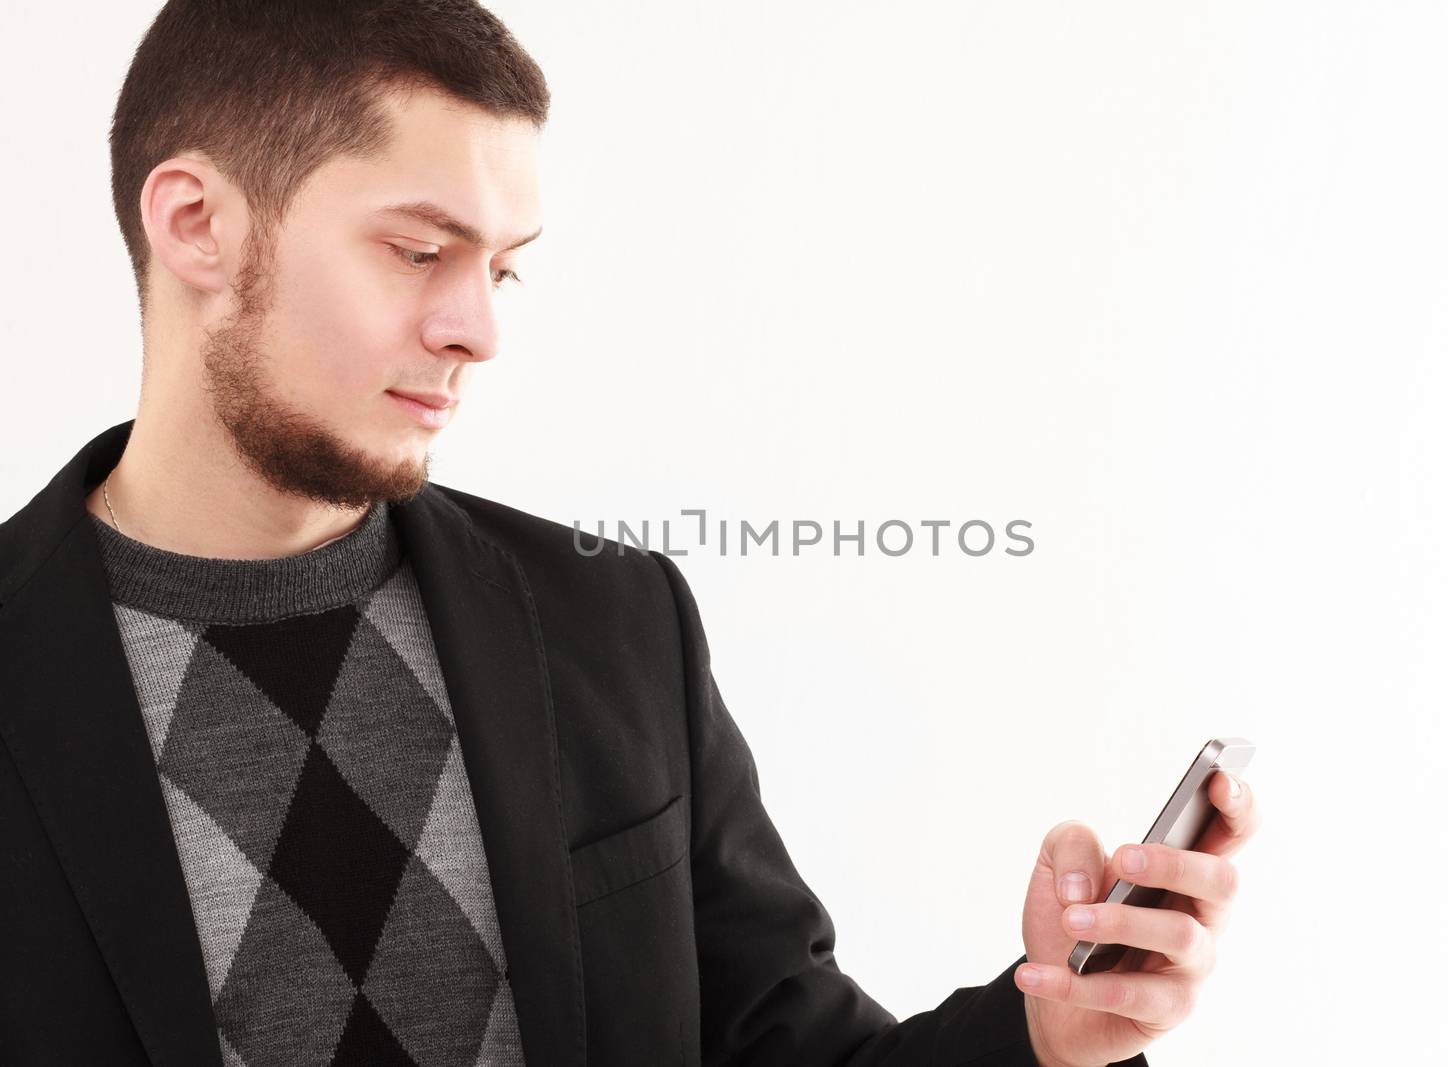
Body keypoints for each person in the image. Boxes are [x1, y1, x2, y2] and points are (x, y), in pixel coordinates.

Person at [0, 2, 1257, 1065]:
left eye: (500, 268)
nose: (477, 330)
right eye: (418, 249)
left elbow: (787, 1044)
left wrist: (1045, 1031)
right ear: (195, 223)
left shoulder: (609, 621)